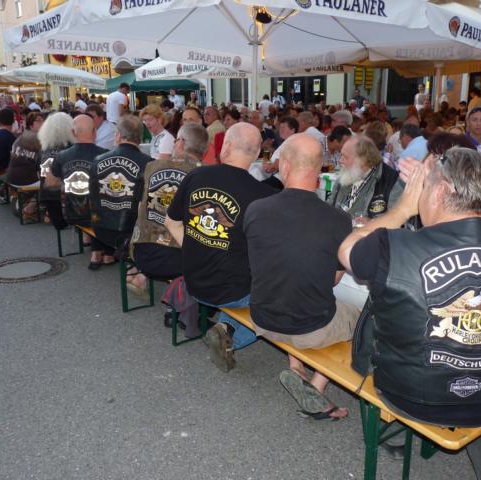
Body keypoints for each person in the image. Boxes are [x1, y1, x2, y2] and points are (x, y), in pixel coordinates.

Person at [338, 148, 481, 480]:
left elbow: (346, 249)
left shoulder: (392, 247)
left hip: (408, 395)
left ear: (438, 192)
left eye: (425, 187)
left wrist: (402, 208)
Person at [244, 134, 358, 420]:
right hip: (311, 327)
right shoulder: (338, 220)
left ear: (284, 166)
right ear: (319, 171)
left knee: (290, 282)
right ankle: (316, 387)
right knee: (363, 317)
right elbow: (333, 280)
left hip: (263, 319)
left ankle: (296, 367)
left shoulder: (256, 210)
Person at [165, 123, 275, 372]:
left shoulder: (196, 176)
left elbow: (171, 222)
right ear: (257, 154)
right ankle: (228, 331)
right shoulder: (264, 196)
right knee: (278, 301)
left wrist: (195, 249)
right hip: (232, 292)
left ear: (225, 146)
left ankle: (225, 327)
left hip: (193, 282)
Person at [128, 123, 209, 295]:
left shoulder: (151, 167)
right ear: (205, 150)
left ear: (181, 143)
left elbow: (138, 208)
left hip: (141, 253)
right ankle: (181, 294)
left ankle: (143, 277)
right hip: (179, 260)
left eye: (175, 142)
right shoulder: (206, 176)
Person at [89, 114, 152, 267]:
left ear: (118, 135)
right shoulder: (150, 164)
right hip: (132, 229)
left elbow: (92, 197)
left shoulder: (97, 160)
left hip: (102, 229)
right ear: (139, 138)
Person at [47, 115, 109, 267]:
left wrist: (66, 183)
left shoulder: (61, 155)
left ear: (73, 132)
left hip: (72, 214)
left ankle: (98, 250)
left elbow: (50, 183)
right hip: (98, 217)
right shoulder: (106, 155)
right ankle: (103, 251)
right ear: (95, 132)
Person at [330, 135, 403, 220]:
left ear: (363, 160)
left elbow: (397, 219)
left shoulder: (392, 181)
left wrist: (372, 223)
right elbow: (330, 206)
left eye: (345, 157)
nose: (340, 160)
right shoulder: (346, 174)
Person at [38, 112, 76, 230]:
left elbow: (38, 173)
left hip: (48, 198)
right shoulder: (71, 148)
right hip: (67, 200)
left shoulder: (43, 149)